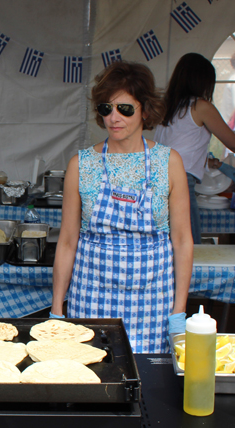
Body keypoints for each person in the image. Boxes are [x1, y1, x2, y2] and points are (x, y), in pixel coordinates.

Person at [50, 61, 193, 353]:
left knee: (151, 387)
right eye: (106, 109)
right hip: (92, 297)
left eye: (124, 109)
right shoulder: (80, 165)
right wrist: (56, 309)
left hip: (154, 300)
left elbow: (182, 240)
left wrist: (179, 311)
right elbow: (67, 242)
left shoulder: (170, 162)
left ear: (145, 110)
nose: (114, 118)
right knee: (95, 377)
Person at [154, 53, 235, 244]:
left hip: (156, 176)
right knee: (188, 244)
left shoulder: (167, 106)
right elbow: (232, 142)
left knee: (166, 242)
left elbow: (181, 144)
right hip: (179, 178)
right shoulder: (200, 106)